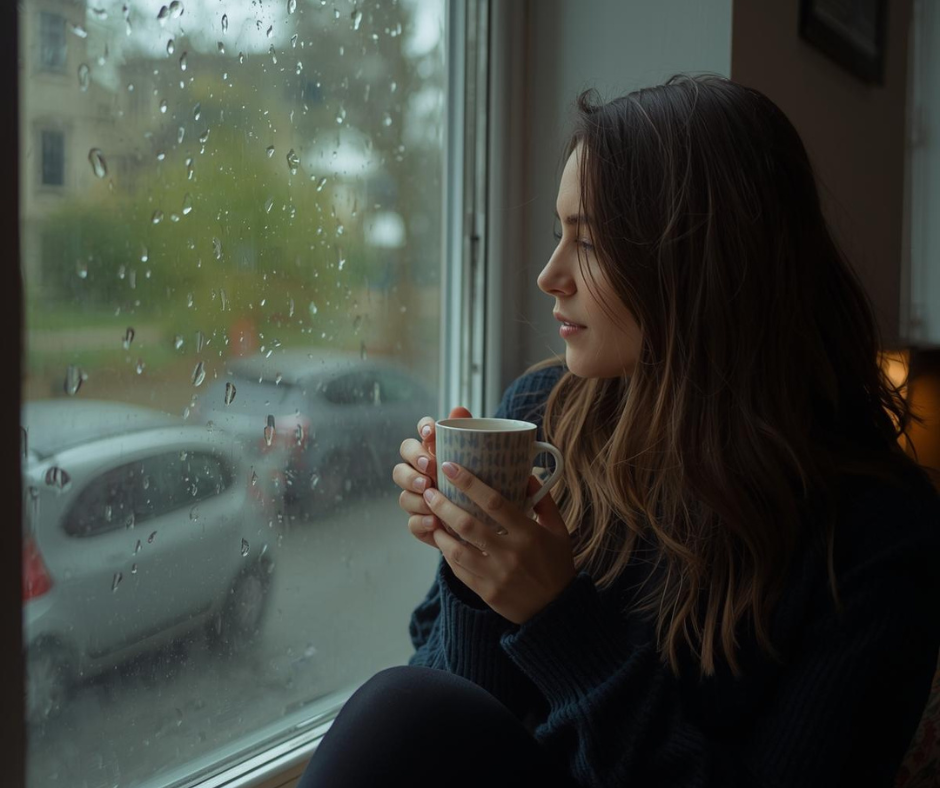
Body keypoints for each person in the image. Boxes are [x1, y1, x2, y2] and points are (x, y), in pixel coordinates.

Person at [296, 73, 940, 787]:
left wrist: (555, 618)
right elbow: (459, 711)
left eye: (591, 243)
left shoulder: (878, 537)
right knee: (406, 705)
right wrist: (478, 566)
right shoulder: (545, 411)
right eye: (557, 234)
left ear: (705, 264)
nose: (549, 275)